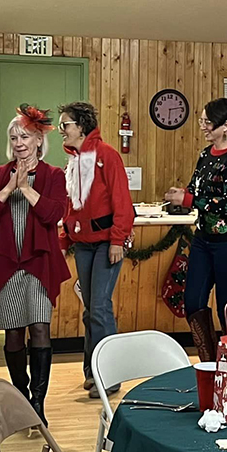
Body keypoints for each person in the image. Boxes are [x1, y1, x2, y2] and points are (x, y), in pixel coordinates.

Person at [0, 105, 70, 425]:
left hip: (39, 263)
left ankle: (38, 403)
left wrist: (26, 188)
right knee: (13, 333)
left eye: (25, 137)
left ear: (39, 140)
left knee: (40, 327)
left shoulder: (53, 175)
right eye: (14, 137)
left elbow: (54, 214)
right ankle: (22, 396)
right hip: (6, 264)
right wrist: (8, 188)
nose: (19, 143)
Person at [164, 98, 227, 361]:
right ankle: (210, 363)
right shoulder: (205, 154)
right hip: (203, 239)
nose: (203, 126)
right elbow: (195, 189)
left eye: (208, 122)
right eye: (201, 121)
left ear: (225, 126)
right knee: (193, 302)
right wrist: (182, 193)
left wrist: (189, 200)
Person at [58, 102, 134, 399]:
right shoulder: (74, 160)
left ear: (81, 126)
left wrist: (117, 240)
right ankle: (92, 371)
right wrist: (65, 239)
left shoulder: (107, 155)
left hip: (105, 243)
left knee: (100, 307)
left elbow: (122, 201)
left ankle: (110, 375)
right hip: (83, 244)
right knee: (90, 309)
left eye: (66, 124)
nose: (62, 130)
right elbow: (71, 205)